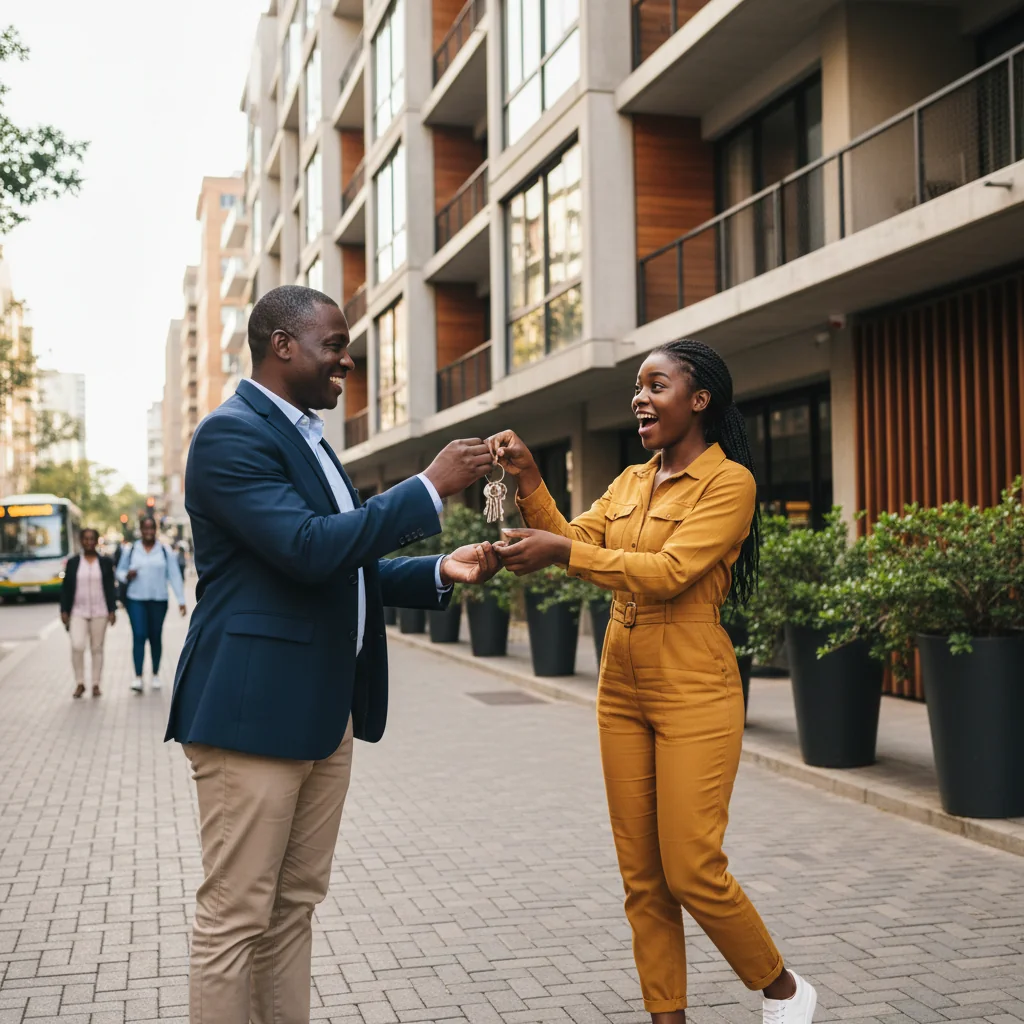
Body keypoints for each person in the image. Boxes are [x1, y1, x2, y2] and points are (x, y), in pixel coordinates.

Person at [165, 285, 501, 1024]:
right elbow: (308, 549)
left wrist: (442, 568)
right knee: (235, 917)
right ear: (282, 345)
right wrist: (428, 488)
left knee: (292, 909)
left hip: (324, 714)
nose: (346, 359)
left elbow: (339, 565)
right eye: (334, 344)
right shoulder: (231, 436)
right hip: (252, 717)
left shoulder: (312, 439)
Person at [488, 339, 817, 1024]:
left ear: (699, 400)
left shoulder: (731, 484)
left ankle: (783, 989)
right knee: (642, 879)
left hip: (695, 686)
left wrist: (564, 550)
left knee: (692, 868)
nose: (640, 396)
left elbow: (669, 572)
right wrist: (527, 478)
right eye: (637, 386)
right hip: (621, 688)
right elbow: (574, 536)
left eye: (656, 384)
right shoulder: (633, 481)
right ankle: (667, 1016)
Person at [117, 516, 186, 693]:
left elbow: (175, 575)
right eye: (145, 528)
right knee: (139, 635)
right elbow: (119, 572)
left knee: (155, 636)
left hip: (158, 600)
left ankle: (155, 674)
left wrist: (181, 600)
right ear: (140, 530)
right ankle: (138, 677)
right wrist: (127, 575)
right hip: (135, 599)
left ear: (155, 530)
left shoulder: (164, 551)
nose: (148, 532)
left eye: (151, 528)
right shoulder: (132, 549)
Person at [59, 527, 117, 698]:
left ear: (96, 541)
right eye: (85, 538)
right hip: (78, 611)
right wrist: (64, 610)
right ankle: (80, 682)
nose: (89, 542)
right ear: (81, 541)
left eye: (92, 538)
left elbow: (110, 587)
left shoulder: (105, 562)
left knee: (97, 648)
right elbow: (66, 589)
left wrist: (112, 609)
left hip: (100, 611)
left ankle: (96, 684)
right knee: (77, 645)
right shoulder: (73, 562)